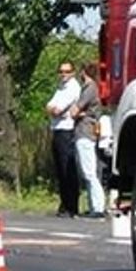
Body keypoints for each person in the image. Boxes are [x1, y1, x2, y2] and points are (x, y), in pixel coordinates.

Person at [46, 60, 81, 217]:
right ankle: (64, 204)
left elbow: (58, 110)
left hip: (66, 130)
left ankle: (71, 205)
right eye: (61, 71)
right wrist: (53, 109)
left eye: (67, 72)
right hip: (57, 129)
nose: (63, 74)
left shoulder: (73, 88)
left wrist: (55, 110)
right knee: (60, 169)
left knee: (68, 168)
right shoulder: (60, 88)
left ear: (73, 72)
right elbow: (49, 106)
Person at [70, 61, 105, 219]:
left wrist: (79, 113)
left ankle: (98, 207)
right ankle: (93, 206)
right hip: (86, 130)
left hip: (85, 131)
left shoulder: (89, 88)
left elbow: (74, 111)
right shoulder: (92, 88)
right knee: (88, 170)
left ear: (84, 72)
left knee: (89, 171)